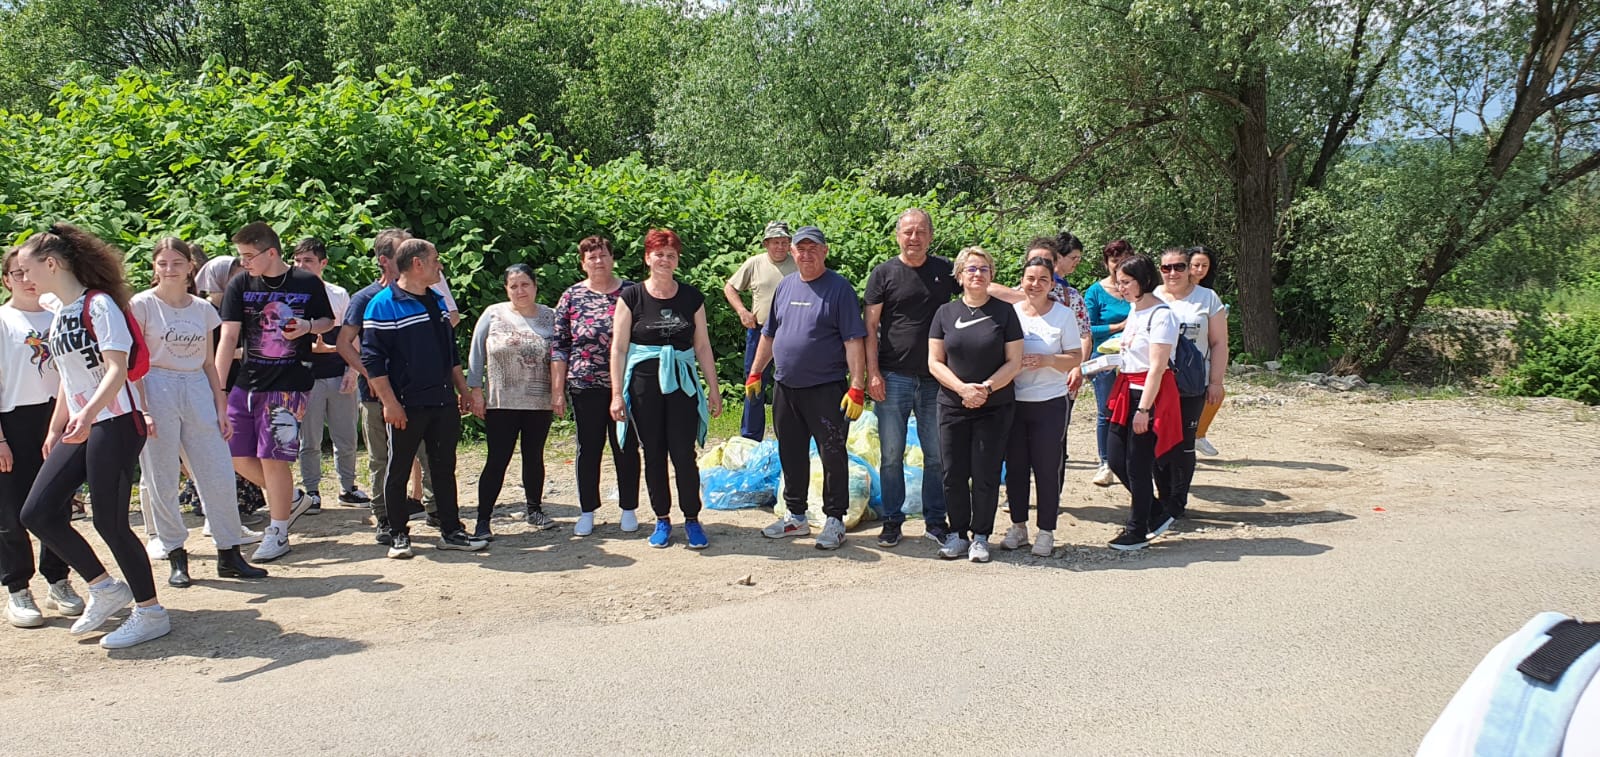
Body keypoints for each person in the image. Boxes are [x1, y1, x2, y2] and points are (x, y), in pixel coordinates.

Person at [15, 223, 168, 648]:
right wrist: (57, 425)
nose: (23, 278)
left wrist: (87, 414)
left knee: (110, 522)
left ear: (51, 264)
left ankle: (151, 612)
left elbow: (117, 369)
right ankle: (104, 587)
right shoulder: (59, 310)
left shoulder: (99, 305)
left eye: (27, 269)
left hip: (116, 422)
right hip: (84, 423)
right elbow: (69, 377)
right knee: (37, 513)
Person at [131, 238, 267, 586]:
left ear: (190, 266)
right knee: (162, 475)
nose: (170, 269)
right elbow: (136, 363)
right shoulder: (142, 305)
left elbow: (208, 363)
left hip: (196, 385)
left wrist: (221, 407)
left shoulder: (202, 309)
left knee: (217, 471)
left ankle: (229, 552)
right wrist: (143, 409)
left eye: (177, 262)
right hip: (156, 383)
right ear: (154, 266)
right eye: (163, 263)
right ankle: (176, 554)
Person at [215, 221, 335, 563]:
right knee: (234, 453)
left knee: (273, 457)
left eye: (249, 256)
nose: (244, 262)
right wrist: (218, 388)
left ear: (271, 253)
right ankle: (292, 498)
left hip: (289, 383)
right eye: (241, 256)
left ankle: (278, 531)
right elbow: (228, 337)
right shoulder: (240, 283)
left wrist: (308, 327)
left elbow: (327, 321)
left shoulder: (306, 282)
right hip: (246, 383)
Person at [360, 238, 486, 558]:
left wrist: (462, 390)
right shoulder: (382, 304)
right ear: (417, 264)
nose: (439, 266)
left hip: (442, 401)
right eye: (435, 260)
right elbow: (372, 361)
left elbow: (450, 353)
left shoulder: (437, 300)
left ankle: (451, 530)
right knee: (398, 468)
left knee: (444, 467)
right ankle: (398, 534)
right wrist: (390, 403)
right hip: (405, 404)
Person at [749, 226, 867, 550]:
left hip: (826, 389)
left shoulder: (839, 289)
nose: (806, 254)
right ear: (793, 253)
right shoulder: (785, 286)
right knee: (791, 452)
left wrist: (857, 386)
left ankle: (835, 519)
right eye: (800, 249)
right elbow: (769, 334)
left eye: (813, 248)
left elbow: (853, 341)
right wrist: (755, 372)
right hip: (785, 387)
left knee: (832, 453)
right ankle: (796, 516)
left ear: (824, 251)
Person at [610, 229, 723, 550]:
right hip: (644, 384)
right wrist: (617, 394)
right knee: (654, 452)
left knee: (684, 454)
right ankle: (662, 519)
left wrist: (713, 389)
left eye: (670, 255)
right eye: (659, 254)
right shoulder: (631, 297)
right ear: (648, 258)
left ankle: (692, 519)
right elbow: (619, 348)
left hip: (682, 384)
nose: (664, 260)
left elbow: (702, 346)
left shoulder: (691, 297)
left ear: (677, 260)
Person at [0, 249, 85, 627]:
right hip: (13, 420)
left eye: (29, 271)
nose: (26, 279)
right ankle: (18, 587)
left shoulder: (58, 314)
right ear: (6, 280)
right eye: (16, 273)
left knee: (57, 503)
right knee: (11, 511)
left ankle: (58, 580)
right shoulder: (4, 320)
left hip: (57, 415)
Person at [336, 229, 437, 544]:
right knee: (381, 458)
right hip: (376, 397)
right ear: (384, 260)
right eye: (401, 251)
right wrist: (370, 374)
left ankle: (436, 510)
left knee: (429, 453)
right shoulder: (365, 298)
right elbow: (343, 343)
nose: (410, 256)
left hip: (419, 392)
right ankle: (383, 517)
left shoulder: (425, 292)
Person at [864, 208, 957, 548]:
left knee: (936, 454)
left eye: (920, 232)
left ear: (930, 236)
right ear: (898, 236)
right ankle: (892, 520)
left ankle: (935, 520)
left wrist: (1027, 295)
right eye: (908, 232)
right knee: (891, 455)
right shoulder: (883, 273)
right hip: (892, 377)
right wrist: (872, 373)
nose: (914, 237)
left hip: (936, 377)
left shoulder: (946, 270)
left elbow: (980, 287)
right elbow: (869, 327)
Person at [927, 246, 1023, 563]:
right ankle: (957, 534)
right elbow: (934, 362)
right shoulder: (945, 313)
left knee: (985, 473)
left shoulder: (1005, 312)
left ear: (991, 274)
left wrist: (986, 388)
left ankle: (981, 536)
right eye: (971, 269)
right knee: (953, 473)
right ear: (959, 276)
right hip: (952, 405)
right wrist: (962, 389)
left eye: (983, 269)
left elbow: (1014, 361)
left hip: (994, 406)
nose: (977, 274)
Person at [551, 236, 641, 536]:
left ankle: (629, 508)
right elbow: (560, 345)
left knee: (625, 445)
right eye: (591, 257)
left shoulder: (632, 292)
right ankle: (587, 511)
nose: (598, 261)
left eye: (603, 255)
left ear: (612, 258)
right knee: (588, 448)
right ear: (583, 263)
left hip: (627, 384)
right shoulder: (572, 296)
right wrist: (557, 390)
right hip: (584, 383)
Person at [466, 264, 557, 541]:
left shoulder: (550, 316)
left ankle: (535, 509)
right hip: (501, 401)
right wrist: (475, 390)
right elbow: (476, 353)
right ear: (506, 289)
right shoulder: (493, 313)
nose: (520, 291)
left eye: (525, 284)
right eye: (514, 286)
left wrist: (558, 392)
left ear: (535, 285)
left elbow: (560, 355)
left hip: (539, 400)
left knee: (534, 456)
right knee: (497, 459)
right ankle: (483, 519)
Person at [1001, 255, 1082, 557]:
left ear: (1051, 284)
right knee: (1016, 467)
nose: (1035, 284)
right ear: (1021, 281)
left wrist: (1047, 360)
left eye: (1043, 279)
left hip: (1050, 401)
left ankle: (1046, 530)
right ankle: (1018, 526)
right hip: (1014, 400)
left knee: (1047, 467)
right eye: (1030, 278)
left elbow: (1075, 356)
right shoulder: (1010, 313)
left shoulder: (1063, 315)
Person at [1102, 255, 1185, 551]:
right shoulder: (1135, 310)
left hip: (1148, 394)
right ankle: (1155, 511)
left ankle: (1137, 529)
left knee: (1137, 464)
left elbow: (1157, 367)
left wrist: (1144, 409)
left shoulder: (1162, 315)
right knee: (1115, 458)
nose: (1121, 288)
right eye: (1119, 282)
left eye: (1126, 282)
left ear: (1144, 281)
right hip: (1126, 388)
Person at [1154, 247, 1229, 519]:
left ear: (1188, 269)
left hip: (1193, 382)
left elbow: (1219, 343)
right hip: (1158, 382)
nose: (1173, 273)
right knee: (1157, 439)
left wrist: (1216, 382)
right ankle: (1163, 497)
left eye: (1179, 267)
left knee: (1184, 442)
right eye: (1166, 268)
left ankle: (1178, 502)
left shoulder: (1207, 298)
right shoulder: (1152, 296)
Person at [290, 238, 361, 513]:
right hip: (306, 377)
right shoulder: (288, 294)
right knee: (309, 440)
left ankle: (348, 488)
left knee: (346, 436)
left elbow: (351, 335)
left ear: (323, 263)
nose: (301, 265)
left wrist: (353, 370)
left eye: (308, 260)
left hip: (338, 373)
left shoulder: (338, 294)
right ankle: (312, 491)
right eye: (297, 260)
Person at [722, 221, 797, 441]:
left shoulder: (798, 263)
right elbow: (730, 287)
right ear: (766, 243)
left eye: (784, 242)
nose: (780, 247)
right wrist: (742, 311)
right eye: (775, 242)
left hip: (792, 333)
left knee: (792, 383)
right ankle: (750, 437)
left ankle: (791, 434)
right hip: (760, 331)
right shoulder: (754, 263)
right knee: (754, 381)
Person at [1084, 239, 1135, 486]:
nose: (1119, 265)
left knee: (1135, 410)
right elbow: (1086, 327)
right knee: (1107, 411)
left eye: (1124, 260)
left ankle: (1132, 460)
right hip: (1104, 359)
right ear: (1106, 263)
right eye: (1114, 260)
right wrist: (1118, 326)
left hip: (1135, 358)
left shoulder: (1140, 288)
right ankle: (1106, 463)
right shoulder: (1095, 292)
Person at [1188, 245, 1224, 456]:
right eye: (1196, 265)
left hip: (1203, 355)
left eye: (1205, 266)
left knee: (1215, 394)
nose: (1200, 270)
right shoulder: (1169, 292)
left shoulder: (1209, 295)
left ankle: (1198, 435)